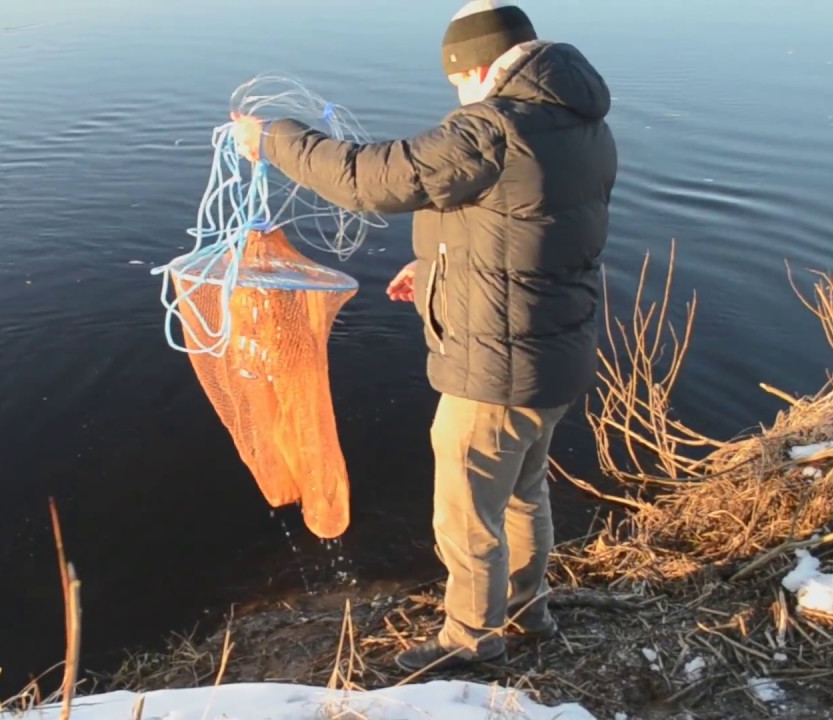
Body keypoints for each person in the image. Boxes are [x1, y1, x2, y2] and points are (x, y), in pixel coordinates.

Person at [231, 0, 617, 673]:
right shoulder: (577, 121)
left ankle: (472, 644)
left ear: (475, 66)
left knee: (465, 515)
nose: (458, 96)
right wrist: (437, 262)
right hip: (553, 355)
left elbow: (366, 178)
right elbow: (528, 225)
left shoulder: (493, 128)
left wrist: (273, 140)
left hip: (496, 369)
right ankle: (531, 616)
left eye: (457, 83)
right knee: (525, 493)